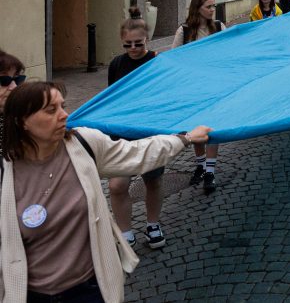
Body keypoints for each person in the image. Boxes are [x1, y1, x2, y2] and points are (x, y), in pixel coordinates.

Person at [1, 81, 211, 302]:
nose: (64, 115)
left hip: (90, 289)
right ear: (21, 121)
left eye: (62, 106)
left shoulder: (83, 143)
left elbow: (138, 153)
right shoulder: (5, 172)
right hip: (30, 295)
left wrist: (184, 139)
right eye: (51, 110)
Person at [106, 8, 168, 250]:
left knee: (152, 181)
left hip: (149, 132)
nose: (132, 49)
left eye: (138, 44)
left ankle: (153, 225)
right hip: (122, 135)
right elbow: (110, 98)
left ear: (147, 39)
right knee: (116, 185)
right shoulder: (116, 64)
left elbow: (166, 96)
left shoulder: (156, 62)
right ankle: (126, 232)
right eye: (127, 44)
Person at [173, 0, 226, 193]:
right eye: (209, 7)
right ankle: (201, 165)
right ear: (198, 9)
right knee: (196, 127)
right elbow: (173, 58)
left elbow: (231, 51)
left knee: (213, 127)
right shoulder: (185, 31)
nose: (212, 10)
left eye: (214, 6)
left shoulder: (219, 27)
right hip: (192, 87)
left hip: (214, 85)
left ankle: (210, 171)